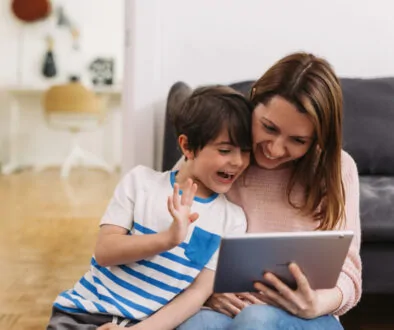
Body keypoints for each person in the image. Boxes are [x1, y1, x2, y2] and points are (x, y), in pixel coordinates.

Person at [177, 52, 362, 330]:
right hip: (224, 309)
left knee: (256, 319)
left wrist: (317, 303)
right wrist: (204, 291)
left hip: (304, 317)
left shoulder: (336, 167)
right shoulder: (217, 152)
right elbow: (167, 232)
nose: (275, 149)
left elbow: (348, 272)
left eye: (298, 140)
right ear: (254, 100)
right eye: (268, 127)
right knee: (196, 324)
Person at [46, 86, 254, 330]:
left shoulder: (233, 220)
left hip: (146, 325)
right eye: (225, 150)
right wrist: (168, 239)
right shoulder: (140, 182)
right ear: (187, 147)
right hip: (84, 312)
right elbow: (105, 251)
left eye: (246, 151)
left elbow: (197, 294)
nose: (238, 161)